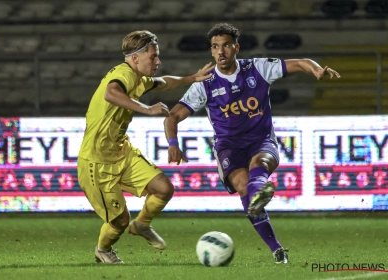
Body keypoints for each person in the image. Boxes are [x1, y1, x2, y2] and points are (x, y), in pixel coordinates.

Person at [163, 23, 340, 264]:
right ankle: (276, 247)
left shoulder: (257, 68)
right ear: (211, 52)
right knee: (242, 184)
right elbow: (172, 116)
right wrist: (173, 143)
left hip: (261, 140)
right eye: (215, 47)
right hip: (228, 146)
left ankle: (259, 193)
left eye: (226, 46)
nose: (221, 52)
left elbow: (300, 62)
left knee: (261, 162)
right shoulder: (204, 83)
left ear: (236, 47)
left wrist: (316, 70)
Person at [77, 30, 214, 264]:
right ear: (135, 57)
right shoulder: (124, 74)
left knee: (163, 188)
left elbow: (165, 83)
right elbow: (111, 93)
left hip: (121, 152)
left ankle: (141, 225)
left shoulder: (138, 78)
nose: (158, 61)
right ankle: (103, 249)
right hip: (96, 162)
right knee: (119, 222)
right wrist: (147, 109)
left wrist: (192, 78)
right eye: (153, 57)